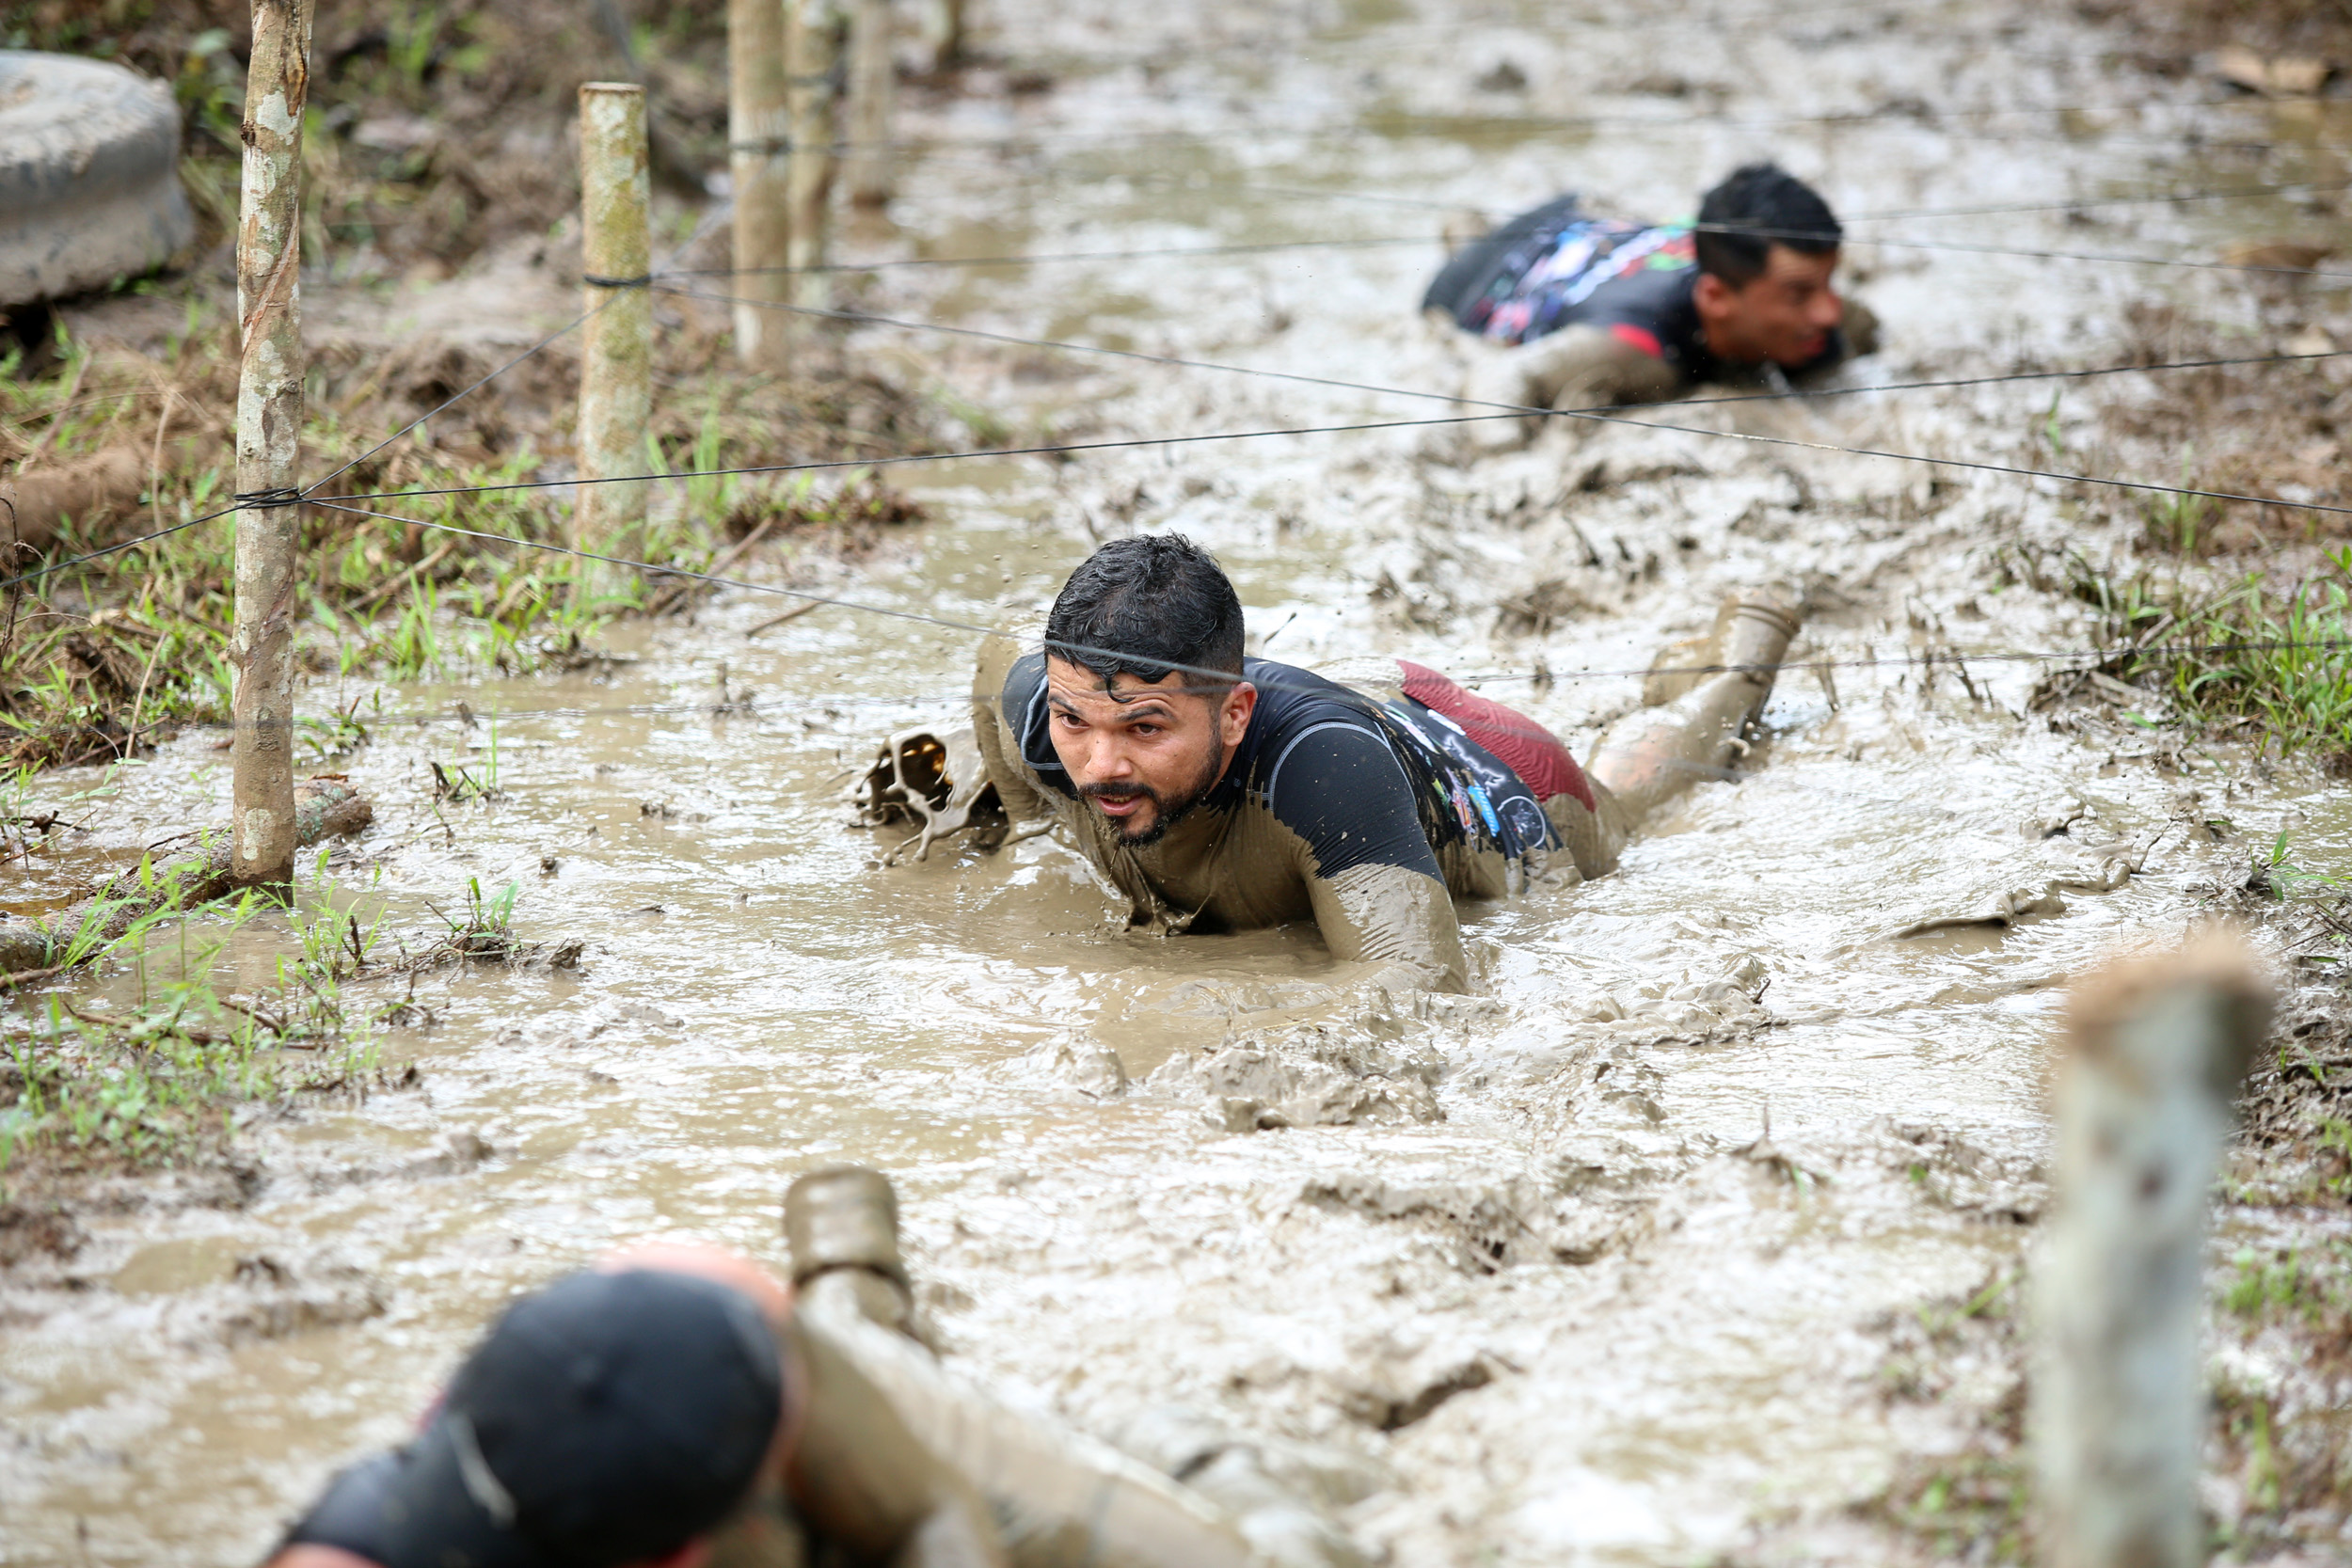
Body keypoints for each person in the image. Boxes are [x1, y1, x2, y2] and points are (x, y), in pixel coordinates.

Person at [262, 1173, 1288, 1568]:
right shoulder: (358, 1546)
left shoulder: (689, 1292)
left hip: (859, 1429)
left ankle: (1176, 1445)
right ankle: (850, 1277)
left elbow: (927, 1516)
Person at [927, 534, 1803, 993]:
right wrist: (1032, 838)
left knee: (1638, 797)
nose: (1099, 763)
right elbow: (999, 645)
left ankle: (1739, 668)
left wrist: (1190, 1013)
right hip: (1357, 702)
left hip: (1499, 776)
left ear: (1234, 716)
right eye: (1077, 722)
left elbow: (1419, 978)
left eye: (1146, 730)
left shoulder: (1321, 777)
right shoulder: (1050, 706)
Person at [1422, 161, 1879, 447]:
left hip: (1587, 225)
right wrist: (1506, 459)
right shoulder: (1637, 346)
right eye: (1799, 295)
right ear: (1716, 297)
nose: (1830, 313)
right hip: (1478, 282)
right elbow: (1500, 377)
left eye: (1829, 284)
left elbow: (1865, 327)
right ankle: (1463, 231)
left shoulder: (1823, 318)